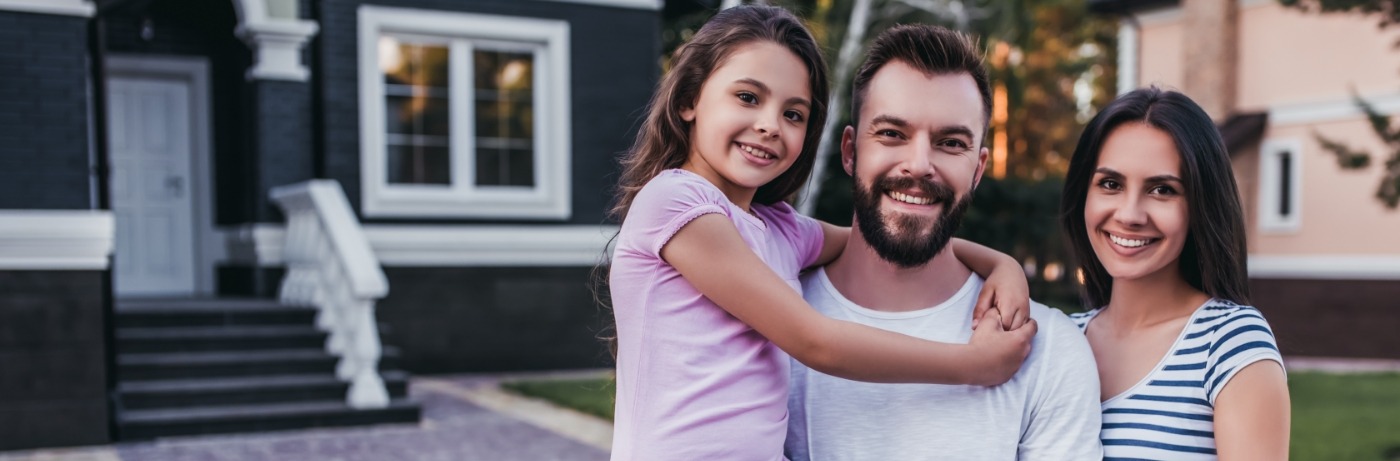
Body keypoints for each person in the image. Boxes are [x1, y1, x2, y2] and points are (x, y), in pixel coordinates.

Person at [606, 6, 1041, 461]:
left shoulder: (778, 229)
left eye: (793, 114)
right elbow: (816, 341)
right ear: (689, 99)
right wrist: (974, 365)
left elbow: (869, 239)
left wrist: (1000, 264)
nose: (770, 126)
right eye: (748, 98)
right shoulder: (675, 204)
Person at [783, 25, 1103, 461]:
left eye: (950, 143)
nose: (919, 166)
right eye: (892, 134)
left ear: (978, 168)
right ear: (850, 150)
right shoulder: (771, 321)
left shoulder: (1045, 350)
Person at [1060, 87, 1291, 459]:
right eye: (1110, 184)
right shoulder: (1057, 339)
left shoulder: (1229, 342)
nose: (1130, 214)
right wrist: (1000, 266)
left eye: (1162, 189)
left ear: (1200, 204)